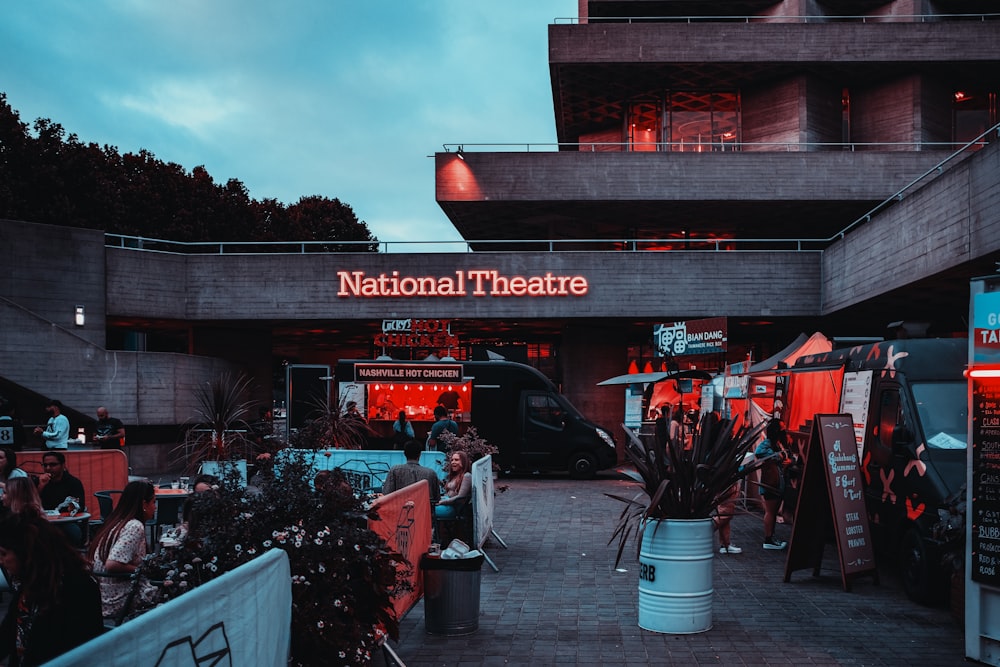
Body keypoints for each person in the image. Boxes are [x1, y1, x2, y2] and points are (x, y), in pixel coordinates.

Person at [0, 513, 105, 665]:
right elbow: (8, 633)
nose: (1, 561)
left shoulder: (76, 589)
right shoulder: (31, 584)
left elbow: (76, 653)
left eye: (4, 554)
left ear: (27, 553)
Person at [88, 480, 158, 619]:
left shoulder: (117, 522)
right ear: (144, 504)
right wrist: (141, 570)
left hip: (102, 596)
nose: (155, 507)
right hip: (117, 600)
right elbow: (112, 564)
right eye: (153, 502)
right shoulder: (134, 526)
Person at [756, 419, 790, 551]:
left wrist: (787, 461)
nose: (784, 430)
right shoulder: (768, 444)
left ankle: (771, 537)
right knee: (770, 511)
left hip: (777, 482)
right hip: (771, 483)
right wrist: (777, 457)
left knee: (773, 511)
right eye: (781, 428)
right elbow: (759, 452)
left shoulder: (778, 443)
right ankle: (768, 539)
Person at [383, 440, 441, 507]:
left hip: (400, 513)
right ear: (420, 454)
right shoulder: (431, 473)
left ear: (404, 454)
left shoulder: (395, 470)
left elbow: (387, 495)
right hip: (425, 514)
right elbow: (436, 498)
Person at [434, 450, 472, 519]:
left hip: (452, 508)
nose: (453, 462)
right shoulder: (454, 476)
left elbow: (461, 497)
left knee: (427, 510)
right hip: (446, 503)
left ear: (463, 462)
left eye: (456, 460)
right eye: (452, 460)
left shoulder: (467, 476)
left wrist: (442, 502)